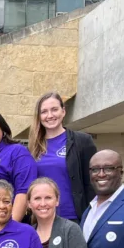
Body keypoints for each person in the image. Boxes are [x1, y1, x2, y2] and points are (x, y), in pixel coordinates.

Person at [27, 92, 97, 222]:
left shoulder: (82, 141)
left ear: (63, 111)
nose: (50, 115)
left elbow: (92, 183)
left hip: (75, 218)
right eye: (44, 112)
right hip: (42, 218)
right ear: (39, 116)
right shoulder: (32, 147)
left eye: (54, 109)